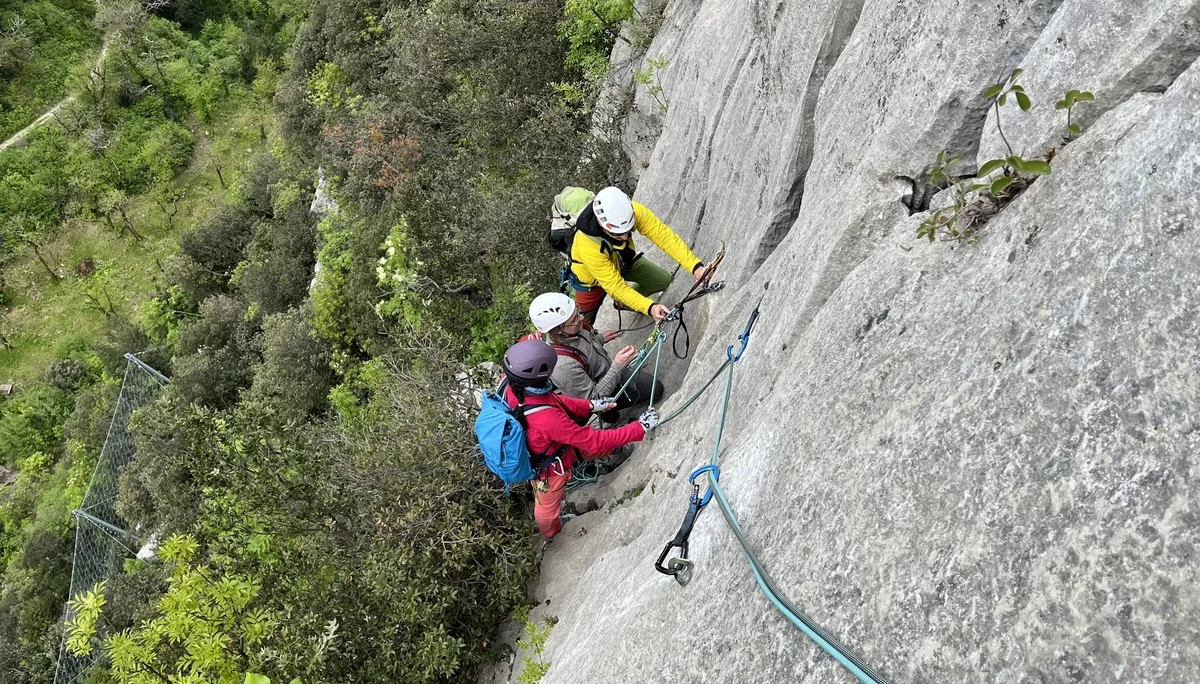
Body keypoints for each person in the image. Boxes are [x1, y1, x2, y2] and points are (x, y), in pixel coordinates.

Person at [501, 339, 659, 538]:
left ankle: (616, 453)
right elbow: (593, 440)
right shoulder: (548, 419)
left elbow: (554, 400)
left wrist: (591, 405)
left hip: (554, 445)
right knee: (547, 511)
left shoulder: (517, 389)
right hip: (549, 469)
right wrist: (639, 428)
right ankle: (552, 534)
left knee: (590, 448)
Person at [567, 186, 708, 324]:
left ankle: (623, 303)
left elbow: (665, 237)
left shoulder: (634, 211)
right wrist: (649, 307)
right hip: (590, 283)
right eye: (617, 234)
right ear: (602, 224)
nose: (625, 236)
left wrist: (696, 267)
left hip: (621, 262)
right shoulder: (586, 244)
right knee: (578, 326)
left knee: (662, 280)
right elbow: (615, 286)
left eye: (628, 230)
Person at [526, 291, 664, 423]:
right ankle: (608, 414)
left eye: (577, 311)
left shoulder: (573, 328)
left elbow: (584, 345)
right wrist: (618, 366)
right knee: (656, 389)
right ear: (558, 330)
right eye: (575, 318)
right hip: (603, 390)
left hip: (609, 373)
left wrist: (600, 338)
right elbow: (593, 400)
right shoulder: (562, 365)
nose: (581, 318)